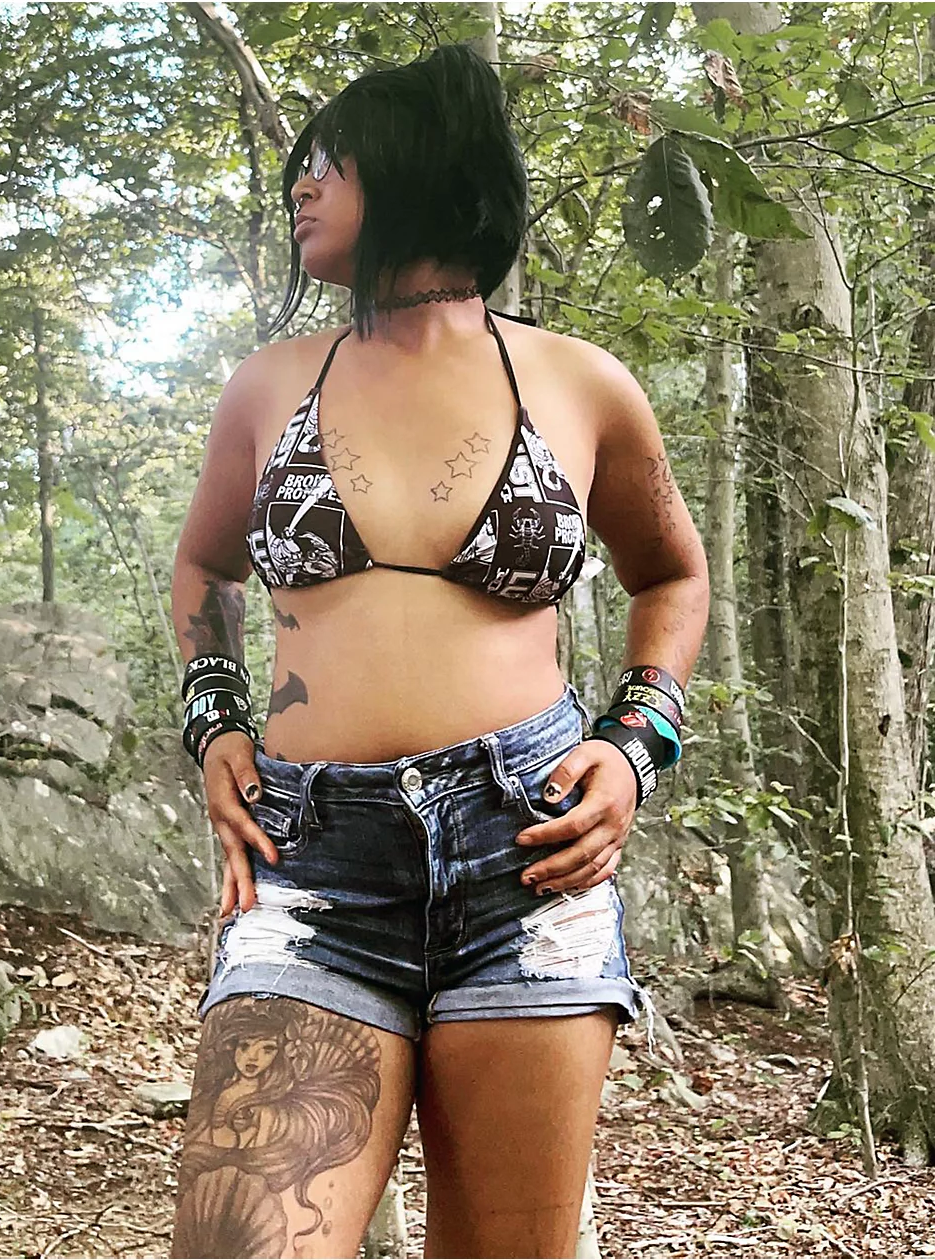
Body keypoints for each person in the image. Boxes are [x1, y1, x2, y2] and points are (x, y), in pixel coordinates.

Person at [170, 42, 708, 1260]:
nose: (302, 184)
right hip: (311, 863)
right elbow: (203, 567)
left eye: (333, 160)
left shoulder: (582, 383)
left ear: (418, 169)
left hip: (527, 857)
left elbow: (673, 574)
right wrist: (214, 721)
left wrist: (637, 744)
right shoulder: (269, 384)